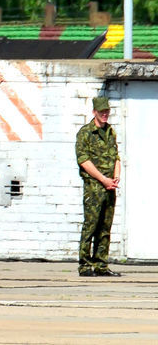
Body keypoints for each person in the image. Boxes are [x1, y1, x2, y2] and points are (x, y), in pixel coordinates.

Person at [76, 95, 122, 277]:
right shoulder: (85, 133)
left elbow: (116, 156)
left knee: (105, 227)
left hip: (109, 187)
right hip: (94, 187)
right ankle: (85, 265)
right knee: (91, 226)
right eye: (102, 111)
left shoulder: (110, 132)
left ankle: (101, 264)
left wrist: (116, 177)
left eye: (107, 111)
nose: (105, 114)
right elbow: (84, 161)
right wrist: (103, 179)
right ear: (94, 111)